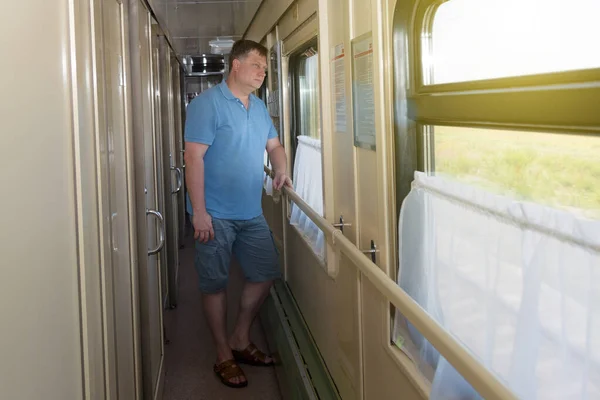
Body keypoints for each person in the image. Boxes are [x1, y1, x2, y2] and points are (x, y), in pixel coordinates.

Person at [184, 39, 292, 389]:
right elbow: (193, 158)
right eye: (257, 65)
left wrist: (281, 169)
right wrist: (199, 212)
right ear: (235, 65)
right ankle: (223, 354)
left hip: (250, 212)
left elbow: (274, 146)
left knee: (265, 272)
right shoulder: (207, 104)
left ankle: (240, 338)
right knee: (215, 284)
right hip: (214, 214)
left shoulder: (259, 108)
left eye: (265, 67)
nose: (262, 72)